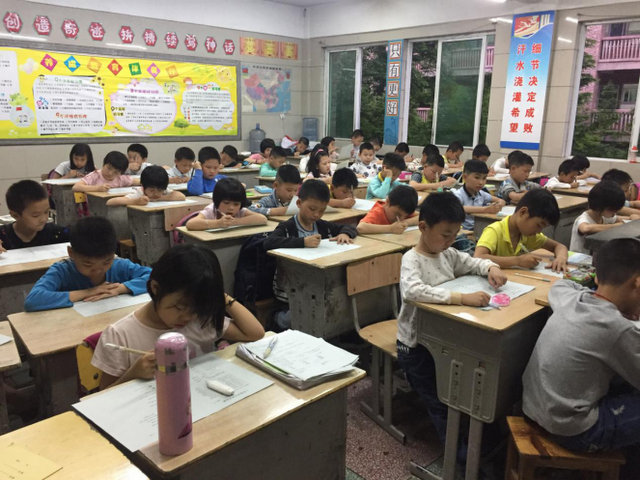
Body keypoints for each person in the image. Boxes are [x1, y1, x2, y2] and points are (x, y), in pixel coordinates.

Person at [522, 238, 640, 480]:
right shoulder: (619, 329)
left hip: (533, 408)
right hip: (573, 430)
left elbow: (563, 284)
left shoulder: (569, 298)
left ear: (597, 277)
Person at [396, 192, 506, 451]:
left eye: (454, 235)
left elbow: (474, 262)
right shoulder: (411, 259)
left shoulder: (448, 254)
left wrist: (491, 267)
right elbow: (412, 292)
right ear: (423, 227)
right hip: (414, 345)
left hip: (443, 337)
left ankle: (473, 438)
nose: (450, 241)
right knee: (439, 401)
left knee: (456, 390)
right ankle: (458, 457)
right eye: (445, 235)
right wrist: (461, 298)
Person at [91, 244, 265, 389]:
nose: (188, 317)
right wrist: (133, 374)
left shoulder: (201, 321)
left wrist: (219, 296)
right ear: (156, 288)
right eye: (180, 307)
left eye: (197, 308)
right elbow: (102, 398)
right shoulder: (120, 335)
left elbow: (255, 333)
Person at [24, 216, 150, 311]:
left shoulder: (119, 265)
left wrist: (121, 289)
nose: (99, 270)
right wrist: (88, 292)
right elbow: (33, 300)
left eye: (106, 262)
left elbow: (154, 277)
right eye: (88, 264)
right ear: (71, 253)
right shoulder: (62, 270)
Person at [475, 189, 569, 272]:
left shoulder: (528, 235)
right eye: (538, 225)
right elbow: (478, 257)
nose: (539, 231)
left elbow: (559, 246)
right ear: (523, 212)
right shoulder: (494, 231)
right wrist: (517, 261)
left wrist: (561, 258)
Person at [264, 179, 357, 250]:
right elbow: (269, 242)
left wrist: (345, 234)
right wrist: (302, 242)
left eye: (322, 211)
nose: (316, 215)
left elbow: (350, 227)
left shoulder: (322, 225)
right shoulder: (287, 226)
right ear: (299, 203)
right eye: (312, 209)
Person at [0, 180, 68, 251]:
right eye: (36, 215)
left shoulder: (54, 232)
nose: (44, 219)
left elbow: (73, 234)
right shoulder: (3, 236)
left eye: (46, 212)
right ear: (15, 215)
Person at [186, 177, 267, 231]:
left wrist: (235, 222)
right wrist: (218, 223)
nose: (231, 208)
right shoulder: (211, 210)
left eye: (236, 204)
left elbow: (262, 219)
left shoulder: (240, 211)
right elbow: (191, 224)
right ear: (217, 200)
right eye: (226, 203)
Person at [569, 181, 626, 254]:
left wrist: (631, 218)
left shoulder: (603, 216)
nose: (614, 213)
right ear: (600, 207)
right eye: (612, 210)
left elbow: (619, 219)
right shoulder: (583, 219)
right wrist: (617, 226)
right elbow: (585, 228)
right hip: (579, 259)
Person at [452, 160, 505, 231]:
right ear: (465, 177)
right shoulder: (458, 195)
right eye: (477, 177)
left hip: (478, 228)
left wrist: (498, 205)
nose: (481, 182)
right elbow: (459, 208)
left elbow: (501, 200)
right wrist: (485, 209)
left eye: (484, 178)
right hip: (464, 231)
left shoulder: (481, 194)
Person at [106, 165, 185, 206]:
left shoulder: (164, 191)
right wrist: (135, 201)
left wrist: (159, 199)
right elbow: (110, 202)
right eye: (151, 190)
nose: (156, 193)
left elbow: (181, 196)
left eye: (160, 190)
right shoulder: (140, 193)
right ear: (143, 186)